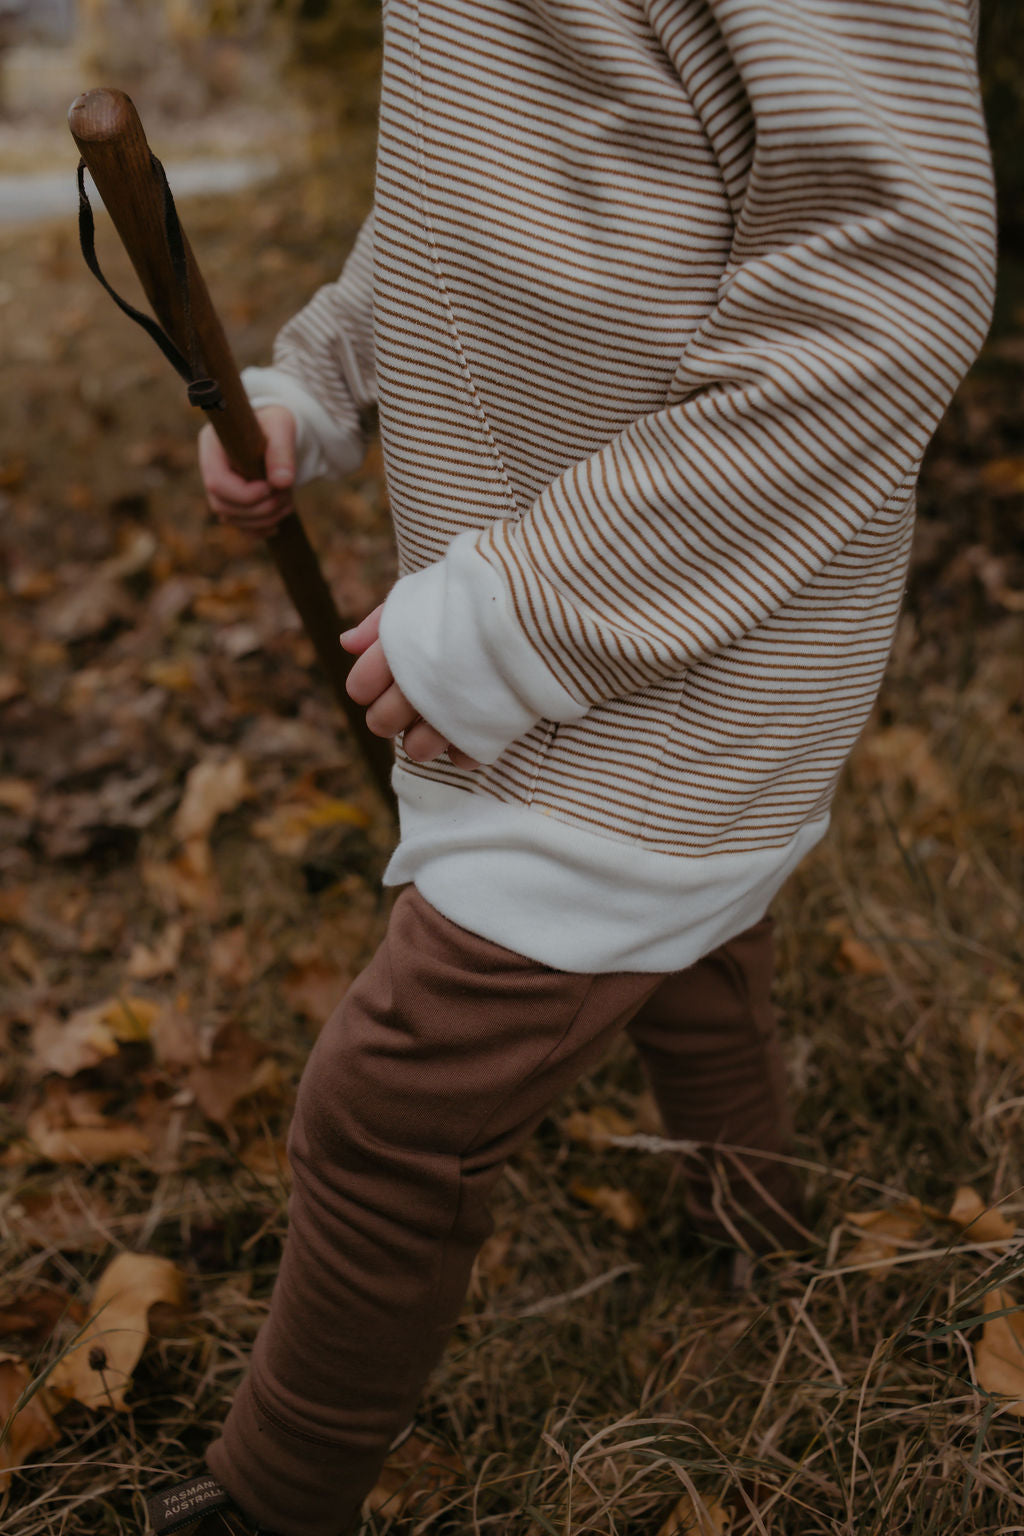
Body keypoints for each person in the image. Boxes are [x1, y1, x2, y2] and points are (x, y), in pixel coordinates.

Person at [149, 1, 996, 1532]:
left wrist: (524, 612)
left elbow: (891, 273)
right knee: (689, 948)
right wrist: (313, 386)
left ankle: (274, 1498)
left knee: (392, 1102)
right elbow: (475, 190)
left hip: (683, 635)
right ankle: (759, 1227)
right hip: (567, 601)